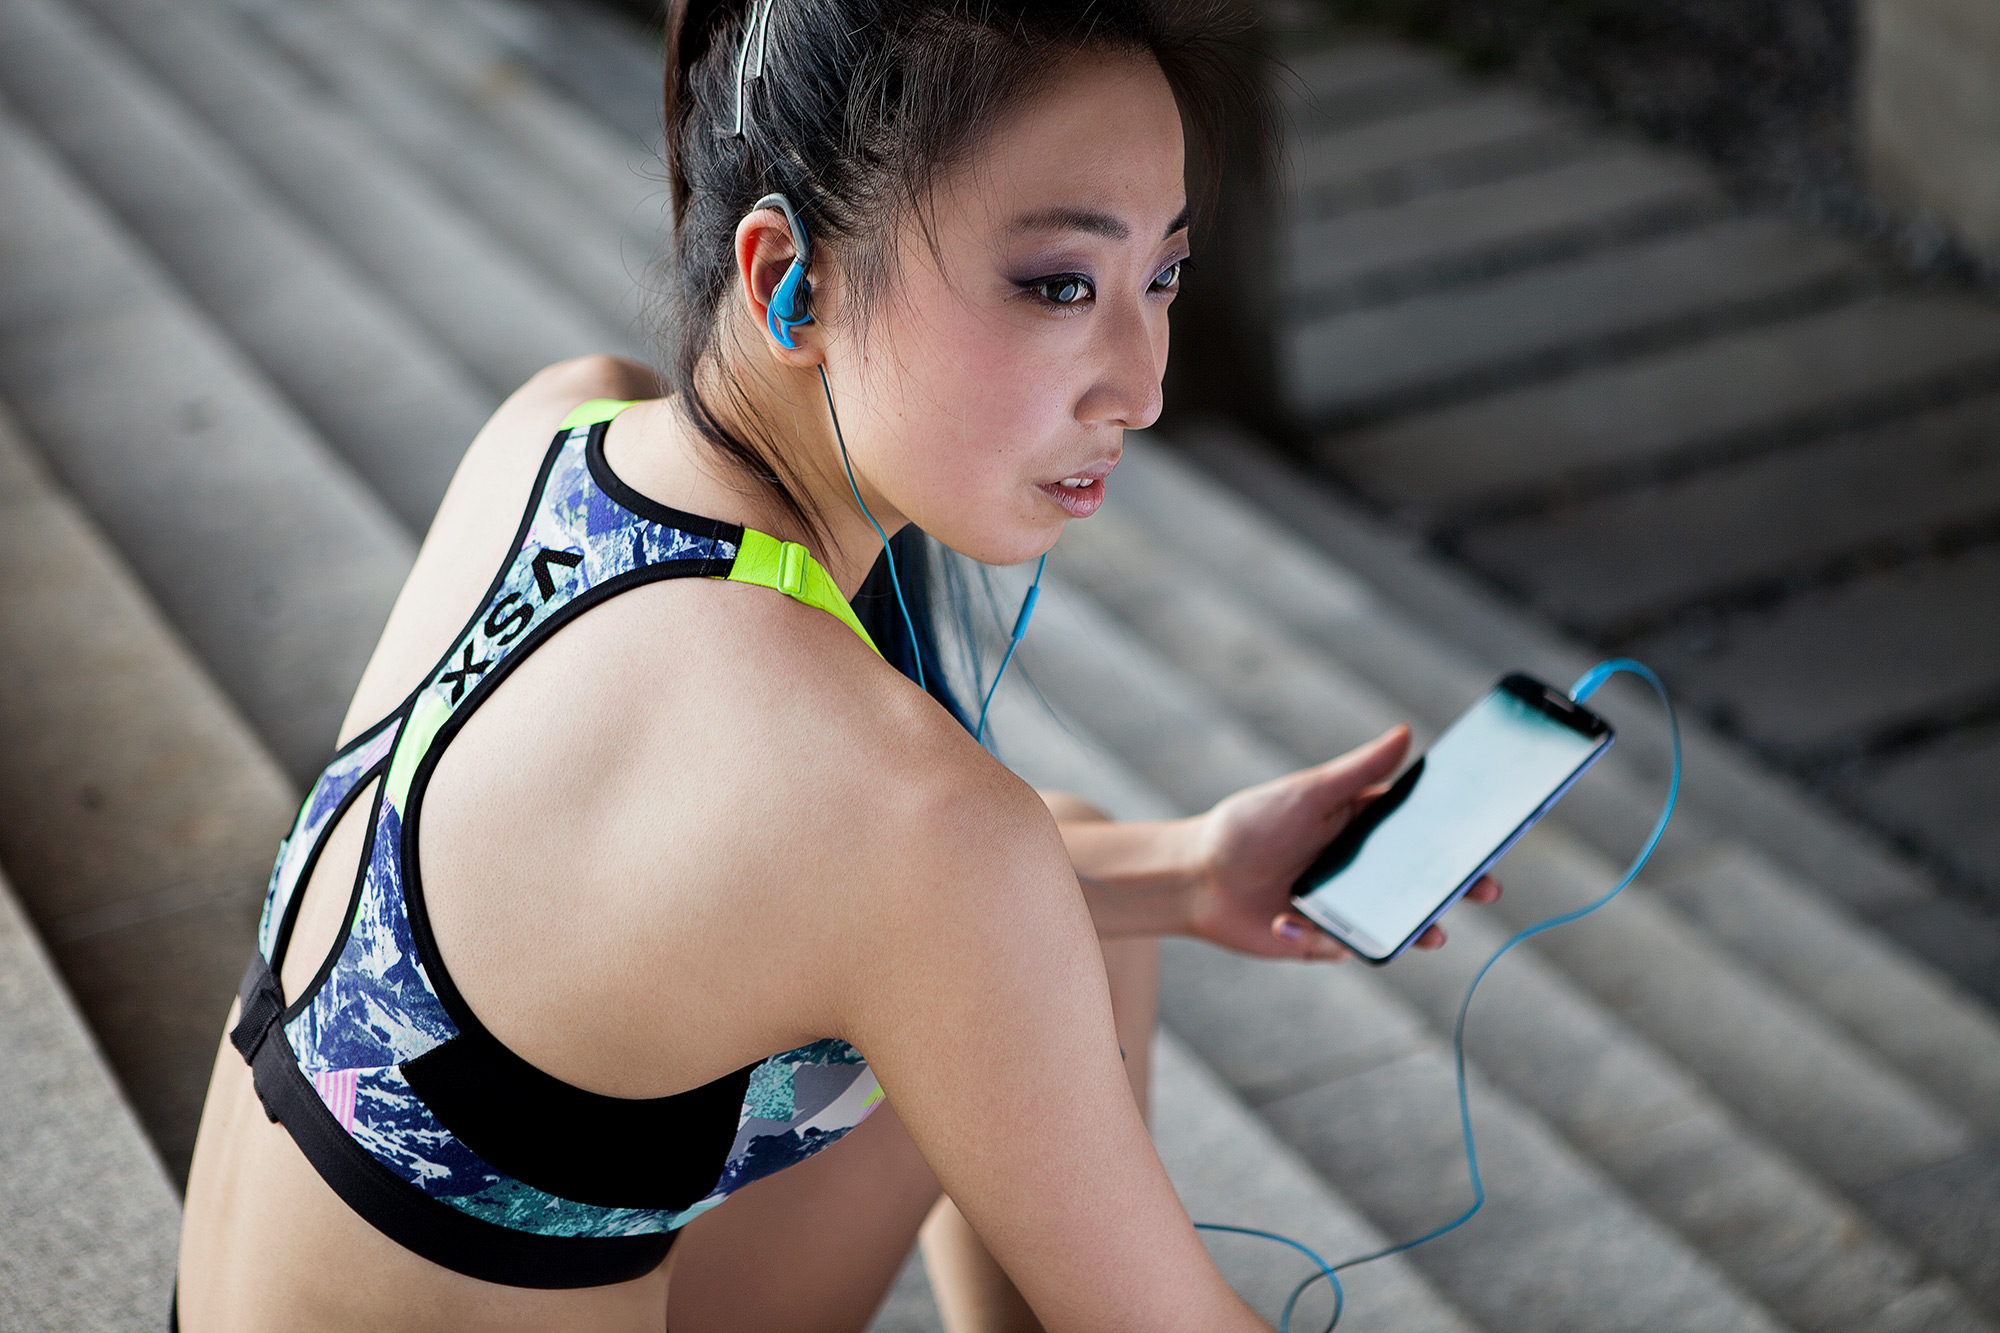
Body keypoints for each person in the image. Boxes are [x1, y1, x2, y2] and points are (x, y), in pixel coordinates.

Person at [174, 0, 1499, 1328]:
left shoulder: (556, 435)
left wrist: (1196, 870)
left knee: (1063, 884)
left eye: (1163, 277)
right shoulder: (891, 810)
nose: (1140, 386)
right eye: (1057, 285)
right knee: (1014, 897)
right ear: (787, 280)